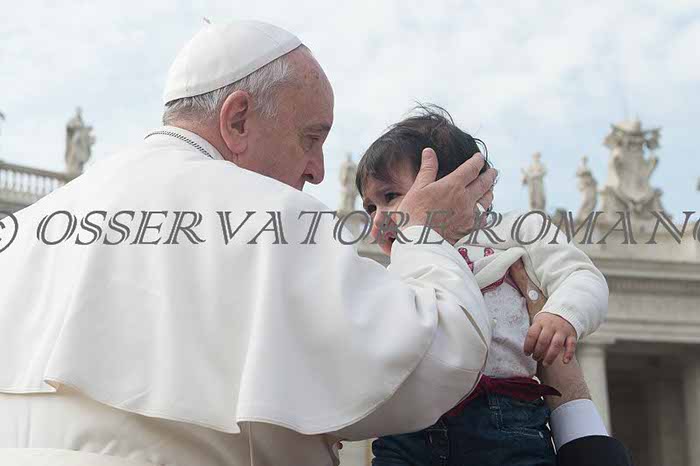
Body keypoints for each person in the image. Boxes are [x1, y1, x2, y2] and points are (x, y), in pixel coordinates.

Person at [0, 21, 498, 466]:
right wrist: (424, 234)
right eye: (311, 138)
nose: (318, 171)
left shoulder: (29, 225)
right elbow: (438, 358)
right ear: (237, 120)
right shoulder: (272, 217)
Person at [355, 106, 608, 466]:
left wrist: (561, 314)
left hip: (506, 421)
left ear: (461, 187)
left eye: (392, 196)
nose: (378, 217)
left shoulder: (518, 231)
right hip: (409, 430)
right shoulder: (396, 266)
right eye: (369, 206)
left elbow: (581, 275)